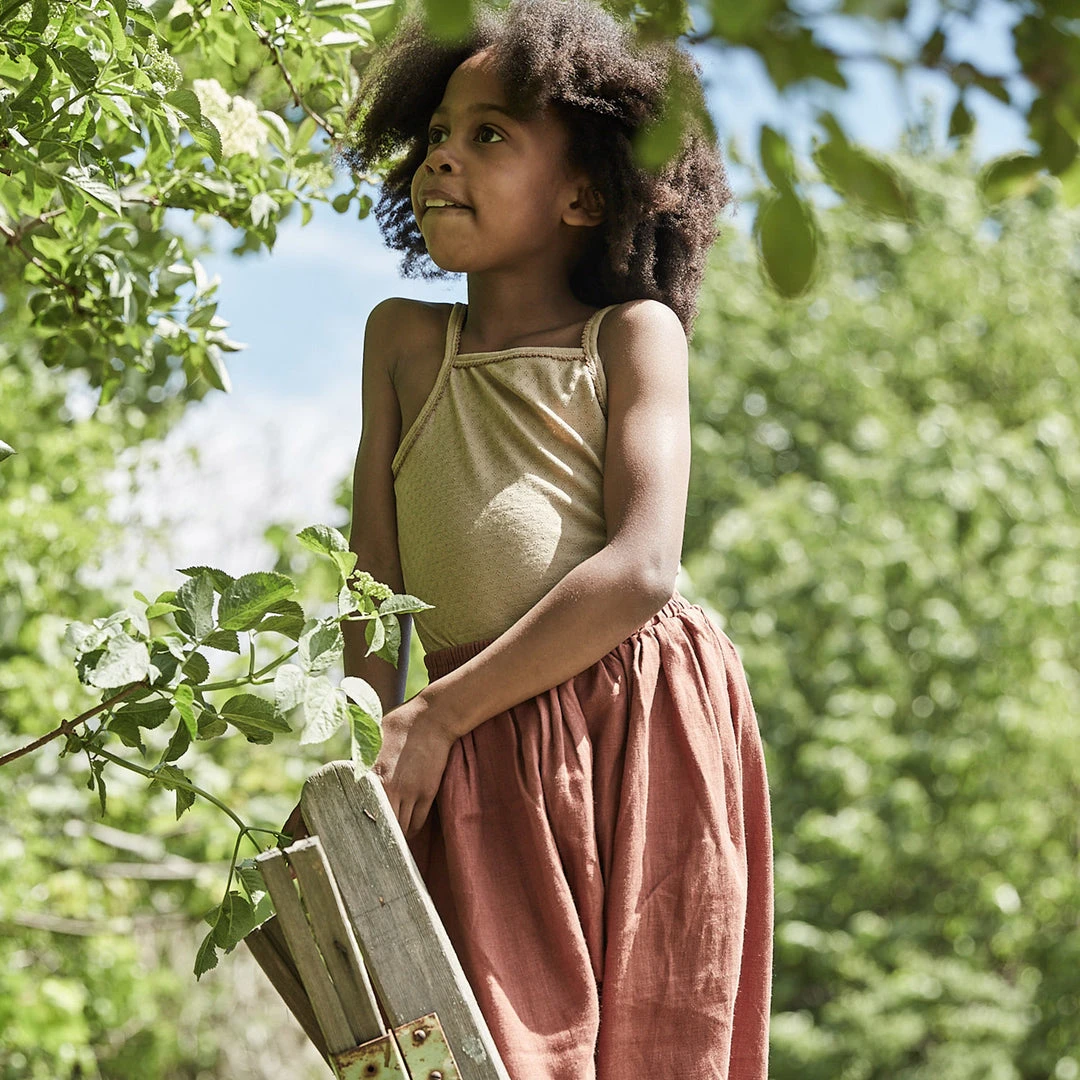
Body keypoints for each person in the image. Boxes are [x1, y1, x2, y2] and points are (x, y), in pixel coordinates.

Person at [316, 1, 774, 1075]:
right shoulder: (402, 341)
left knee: (645, 1042)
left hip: (630, 717)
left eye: (488, 136)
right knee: (473, 1047)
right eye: (436, 133)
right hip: (462, 748)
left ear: (585, 190)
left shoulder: (632, 335)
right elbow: (370, 594)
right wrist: (368, 765)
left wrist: (437, 712)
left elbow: (643, 569)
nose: (441, 159)